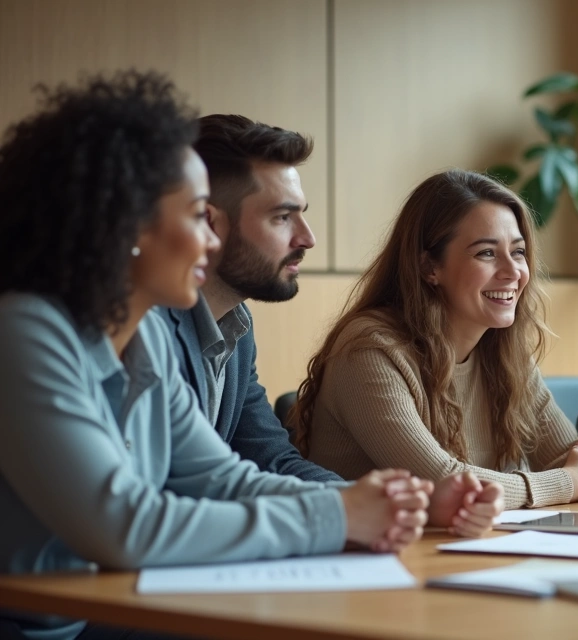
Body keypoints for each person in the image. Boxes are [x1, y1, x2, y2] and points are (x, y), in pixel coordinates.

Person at [0, 71, 430, 640]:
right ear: (124, 222)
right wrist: (338, 515)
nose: (211, 238)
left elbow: (224, 478)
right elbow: (127, 527)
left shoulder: (143, 337)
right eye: (198, 215)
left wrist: (369, 502)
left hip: (109, 613)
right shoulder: (24, 331)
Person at [154, 114, 501, 538]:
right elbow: (174, 494)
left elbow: (272, 461)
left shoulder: (235, 330)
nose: (307, 237)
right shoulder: (147, 331)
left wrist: (397, 505)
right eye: (282, 217)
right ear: (210, 224)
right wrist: (347, 513)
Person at [291, 169, 578, 510]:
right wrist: (570, 483)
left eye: (517, 252)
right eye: (486, 253)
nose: (512, 271)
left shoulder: (504, 351)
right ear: (430, 267)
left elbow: (575, 458)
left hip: (468, 549)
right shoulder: (368, 351)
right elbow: (444, 484)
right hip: (378, 555)